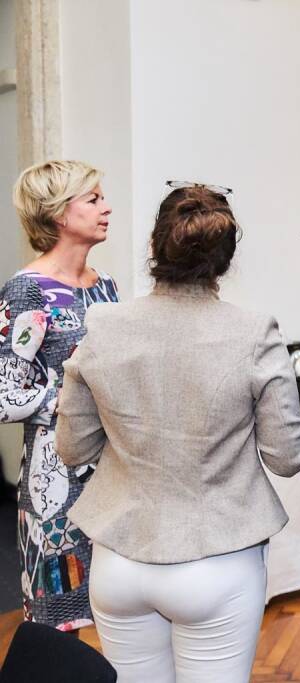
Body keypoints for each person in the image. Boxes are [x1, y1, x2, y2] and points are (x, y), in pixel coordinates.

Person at [56, 183, 300, 682]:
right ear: (224, 261)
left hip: (120, 559)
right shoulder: (254, 332)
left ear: (154, 248)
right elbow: (287, 457)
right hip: (216, 557)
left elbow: (72, 448)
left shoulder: (103, 324)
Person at [0, 160, 119, 631]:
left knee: (118, 615)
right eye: (92, 200)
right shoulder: (27, 293)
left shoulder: (105, 285)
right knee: (61, 627)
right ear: (58, 215)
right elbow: (5, 393)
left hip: (113, 476)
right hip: (56, 486)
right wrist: (80, 398)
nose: (106, 207)